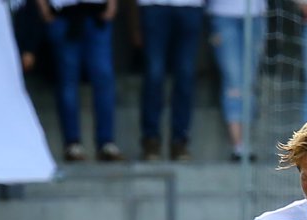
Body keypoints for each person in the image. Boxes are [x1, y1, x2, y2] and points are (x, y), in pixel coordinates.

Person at [40, 0, 123, 163]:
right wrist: (43, 7)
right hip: (63, 13)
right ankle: (72, 143)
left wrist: (112, 3)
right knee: (68, 82)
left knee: (104, 78)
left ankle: (106, 142)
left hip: (97, 12)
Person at [136, 0, 205, 162]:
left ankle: (180, 140)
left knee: (185, 75)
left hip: (190, 7)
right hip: (154, 6)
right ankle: (150, 139)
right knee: (154, 74)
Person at [207, 0, 266, 162]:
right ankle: (238, 146)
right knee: (233, 80)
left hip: (256, 15)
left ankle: (246, 143)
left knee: (249, 80)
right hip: (223, 14)